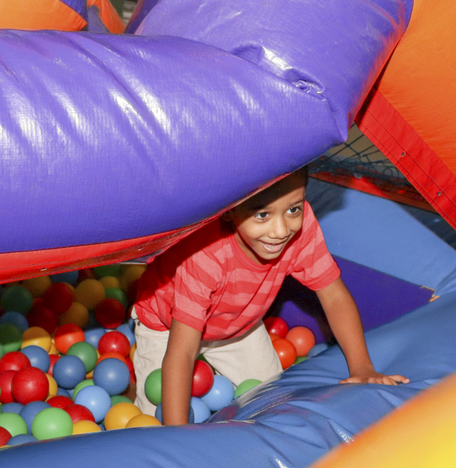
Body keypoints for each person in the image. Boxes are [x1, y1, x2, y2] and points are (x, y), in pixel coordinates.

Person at [131, 167, 407, 425]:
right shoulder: (207, 253)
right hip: (167, 327)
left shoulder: (301, 230)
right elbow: (182, 351)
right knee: (155, 415)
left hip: (238, 327)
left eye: (293, 209)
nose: (281, 230)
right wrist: (177, 434)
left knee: (274, 401)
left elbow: (334, 296)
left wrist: (361, 367)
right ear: (228, 211)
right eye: (262, 214)